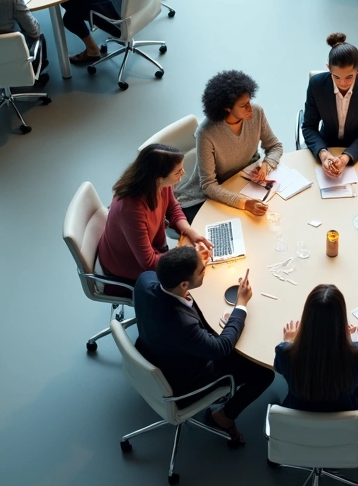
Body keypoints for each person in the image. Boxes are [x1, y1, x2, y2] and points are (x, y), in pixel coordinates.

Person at [133, 247, 273, 446]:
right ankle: (223, 417)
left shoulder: (145, 280)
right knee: (264, 374)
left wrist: (194, 258)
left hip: (153, 350)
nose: (205, 269)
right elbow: (221, 348)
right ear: (184, 284)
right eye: (201, 270)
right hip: (182, 380)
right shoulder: (181, 324)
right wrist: (241, 305)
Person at [95, 144, 212, 295]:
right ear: (159, 179)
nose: (182, 173)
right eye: (178, 172)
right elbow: (148, 262)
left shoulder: (160, 184)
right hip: (128, 264)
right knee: (191, 279)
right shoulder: (130, 209)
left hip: (150, 250)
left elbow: (173, 208)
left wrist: (189, 232)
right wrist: (190, 257)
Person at [174, 70, 284, 221]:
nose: (250, 109)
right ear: (227, 108)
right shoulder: (206, 133)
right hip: (207, 194)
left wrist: (266, 166)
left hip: (243, 180)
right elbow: (208, 185)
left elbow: (275, 146)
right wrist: (244, 203)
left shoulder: (257, 113)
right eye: (243, 105)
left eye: (249, 102)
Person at [275, 285, 358, 418]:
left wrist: (288, 342)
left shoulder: (285, 353)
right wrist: (352, 344)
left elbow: (279, 368)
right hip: (343, 423)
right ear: (341, 319)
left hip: (297, 416)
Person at [302, 33, 358, 177]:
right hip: (327, 144)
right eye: (336, 77)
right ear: (328, 68)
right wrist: (323, 153)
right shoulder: (316, 84)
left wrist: (347, 157)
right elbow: (309, 127)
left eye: (349, 77)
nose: (343, 83)